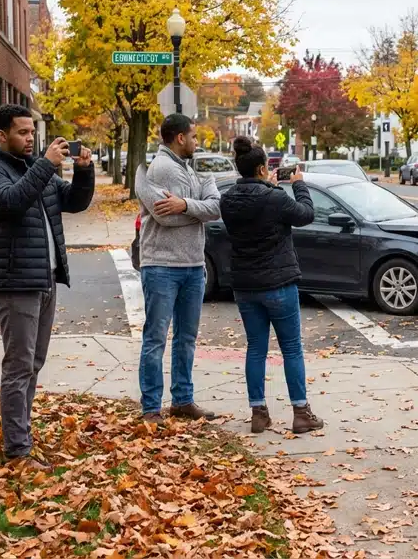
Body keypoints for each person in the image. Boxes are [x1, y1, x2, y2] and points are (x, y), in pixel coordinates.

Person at [0, 104, 95, 469]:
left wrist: (84, 172)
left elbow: (74, 202)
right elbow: (11, 203)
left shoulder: (33, 170)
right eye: (22, 133)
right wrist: (45, 164)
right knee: (19, 365)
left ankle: (21, 437)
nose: (30, 138)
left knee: (34, 362)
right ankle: (17, 451)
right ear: (1, 136)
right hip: (15, 281)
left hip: (43, 279)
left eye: (32, 132)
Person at [220, 136, 323, 435]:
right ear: (263, 168)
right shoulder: (274, 199)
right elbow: (306, 214)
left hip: (245, 286)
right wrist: (299, 184)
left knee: (256, 348)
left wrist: (271, 188)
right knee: (291, 348)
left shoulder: (229, 199)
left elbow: (255, 213)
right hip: (278, 283)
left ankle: (258, 413)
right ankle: (301, 412)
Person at [134, 113, 220, 423]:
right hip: (163, 266)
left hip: (193, 265)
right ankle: (151, 408)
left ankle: (182, 400)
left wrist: (185, 204)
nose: (197, 142)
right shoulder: (164, 169)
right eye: (194, 136)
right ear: (180, 138)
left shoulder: (186, 168)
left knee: (186, 338)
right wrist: (198, 207)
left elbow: (216, 207)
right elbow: (165, 217)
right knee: (156, 338)